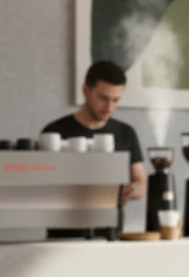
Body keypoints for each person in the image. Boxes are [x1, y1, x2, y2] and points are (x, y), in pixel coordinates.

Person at [42, 60, 146, 237]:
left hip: (110, 236)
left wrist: (131, 190)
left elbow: (141, 183)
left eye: (115, 100)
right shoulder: (54, 133)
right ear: (85, 91)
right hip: (63, 238)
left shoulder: (125, 133)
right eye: (103, 98)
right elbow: (42, 188)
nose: (109, 107)